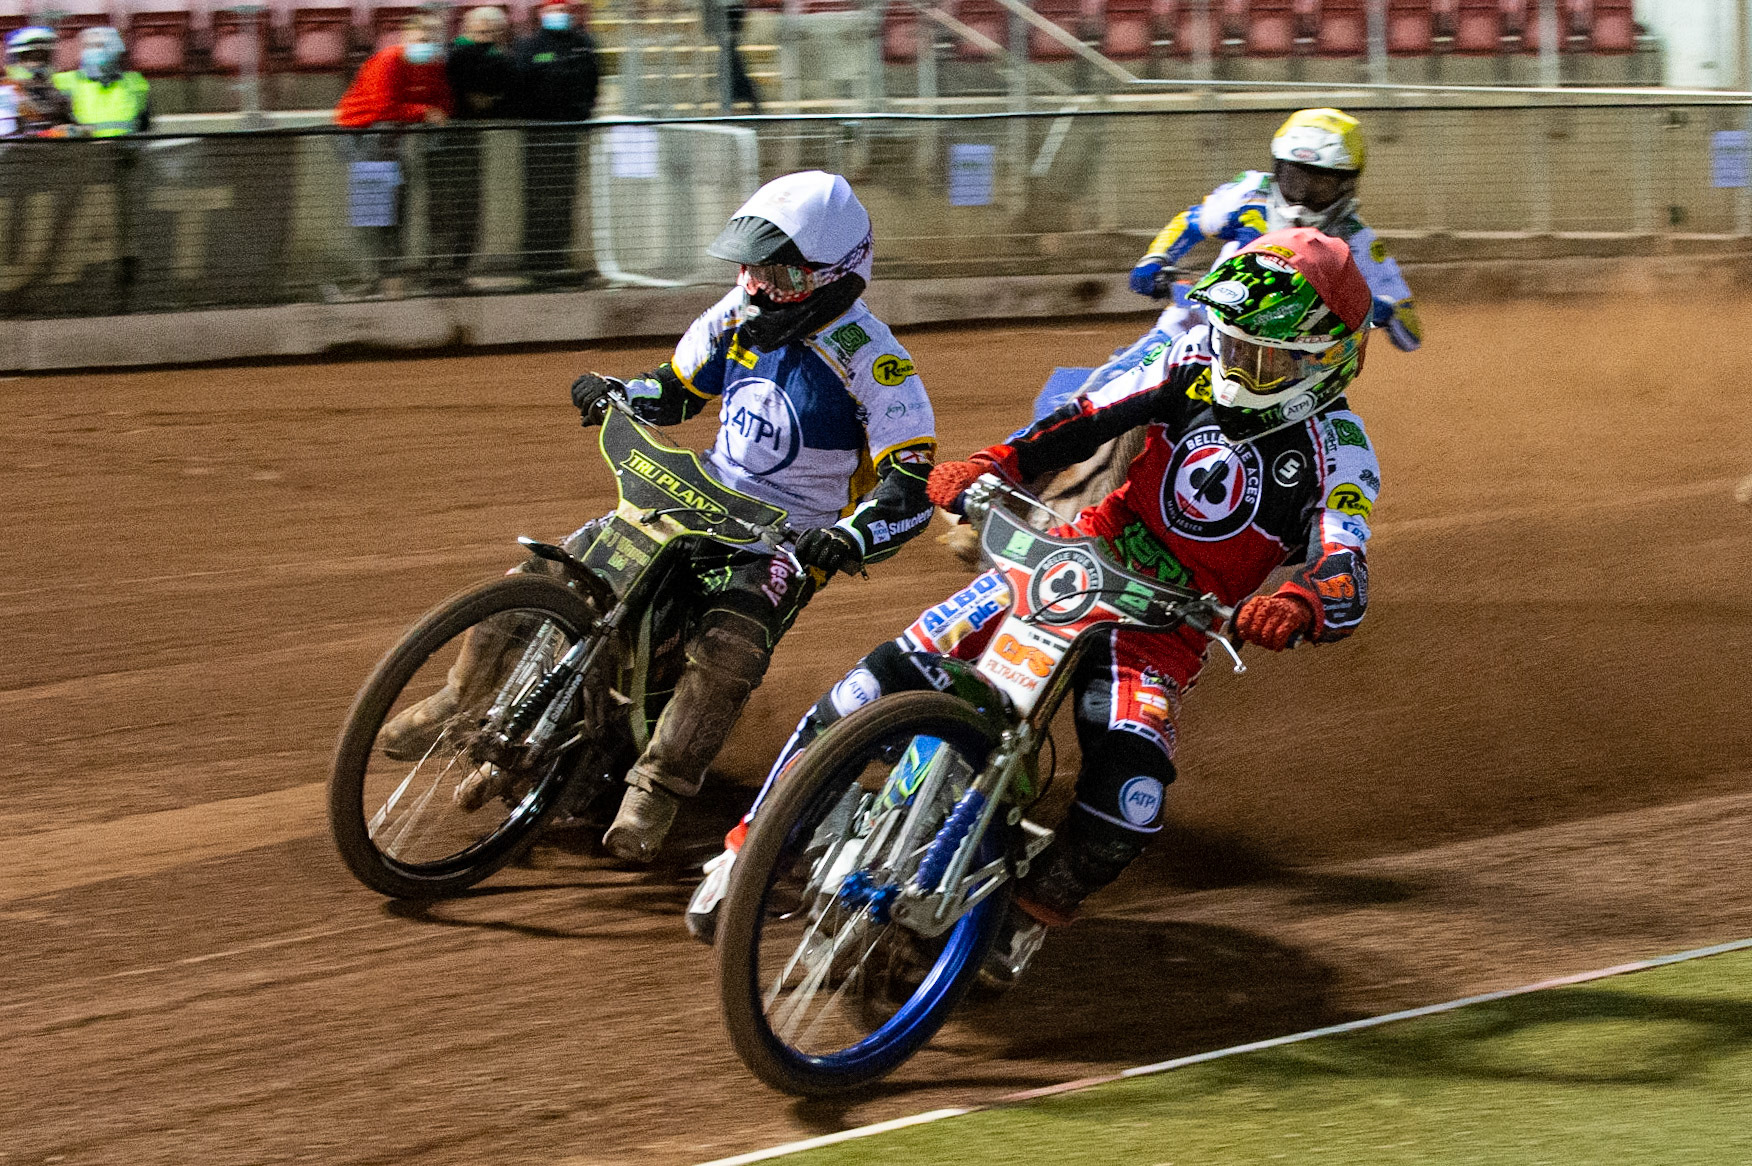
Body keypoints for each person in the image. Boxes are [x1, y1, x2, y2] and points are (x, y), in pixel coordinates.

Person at [686, 228, 1382, 977]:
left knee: (1131, 806)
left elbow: (1346, 564)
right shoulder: (1190, 363)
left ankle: (1026, 915)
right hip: (1071, 559)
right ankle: (750, 849)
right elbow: (1084, 417)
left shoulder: (1338, 450)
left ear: (1325, 356)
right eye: (1232, 341)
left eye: (1263, 355)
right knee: (868, 686)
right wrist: (994, 462)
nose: (1236, 362)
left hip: (1168, 623)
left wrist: (1303, 603)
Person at [379, 171, 938, 864]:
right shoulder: (737, 314)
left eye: (782, 275)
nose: (759, 287)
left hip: (785, 537)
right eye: (751, 269)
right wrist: (619, 391)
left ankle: (658, 786)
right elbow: (675, 391)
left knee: (730, 642)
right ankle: (457, 698)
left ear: (839, 275)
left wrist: (847, 538)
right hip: (695, 489)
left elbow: (909, 485)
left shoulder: (877, 364)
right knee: (552, 568)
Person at [1057, 108, 1419, 416]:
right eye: (1294, 179)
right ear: (1278, 171)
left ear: (1345, 185)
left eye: (1319, 186)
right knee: (1115, 382)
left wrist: (1382, 310)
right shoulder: (1250, 193)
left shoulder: (1356, 240)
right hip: (1199, 321)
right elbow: (1193, 221)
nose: (1302, 198)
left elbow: (1410, 331)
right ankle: (1044, 447)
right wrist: (1156, 258)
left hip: (1282, 360)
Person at [333, 13, 454, 297]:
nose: (426, 45)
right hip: (359, 133)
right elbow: (382, 108)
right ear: (406, 38)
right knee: (374, 209)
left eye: (431, 40)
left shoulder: (433, 64)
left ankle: (392, 274)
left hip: (392, 137)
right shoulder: (388, 61)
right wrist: (424, 112)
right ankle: (376, 276)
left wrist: (435, 110)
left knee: (398, 203)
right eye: (420, 39)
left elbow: (442, 99)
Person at [511, 1, 600, 284]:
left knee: (564, 197)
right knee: (537, 197)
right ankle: (536, 260)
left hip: (570, 131)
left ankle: (558, 257)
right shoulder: (529, 45)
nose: (558, 15)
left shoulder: (582, 44)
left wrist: (582, 112)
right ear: (542, 13)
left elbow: (592, 81)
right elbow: (521, 84)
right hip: (538, 133)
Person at [430, 6, 516, 290]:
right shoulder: (454, 54)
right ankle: (440, 269)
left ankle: (459, 268)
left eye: (491, 33)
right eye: (480, 31)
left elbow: (504, 89)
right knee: (444, 208)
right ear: (467, 29)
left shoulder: (498, 58)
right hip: (446, 142)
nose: (485, 38)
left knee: (468, 207)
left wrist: (488, 101)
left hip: (469, 141)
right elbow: (465, 85)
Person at [51, 26, 149, 137]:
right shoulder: (66, 81)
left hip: (125, 148)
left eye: (98, 45)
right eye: (87, 46)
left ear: (114, 48)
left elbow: (144, 124)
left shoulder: (135, 83)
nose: (91, 51)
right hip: (85, 149)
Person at [3, 27, 74, 137]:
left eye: (42, 57)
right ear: (14, 60)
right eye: (28, 58)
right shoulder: (5, 95)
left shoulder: (59, 93)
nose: (37, 64)